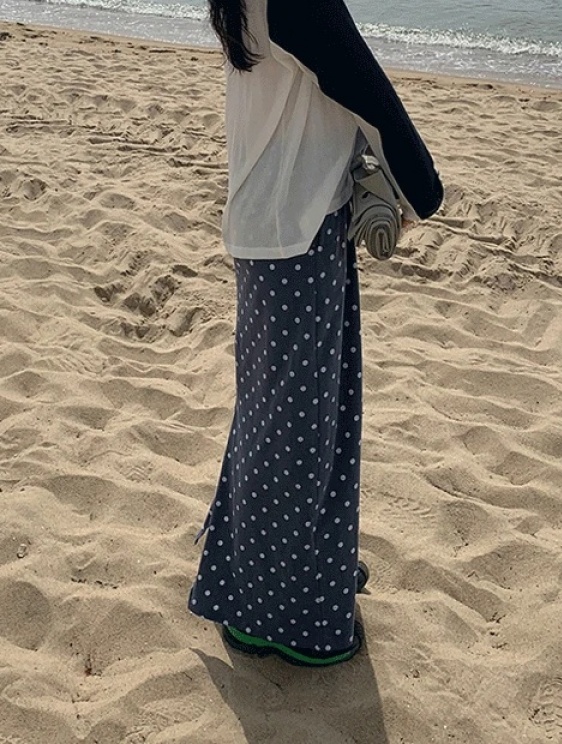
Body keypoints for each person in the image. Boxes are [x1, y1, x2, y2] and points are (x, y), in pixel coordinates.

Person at [188, 0, 443, 667]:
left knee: (277, 420)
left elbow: (325, 85)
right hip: (294, 230)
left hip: (274, 220)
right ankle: (276, 617)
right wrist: (422, 191)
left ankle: (298, 578)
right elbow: (365, 89)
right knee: (299, 434)